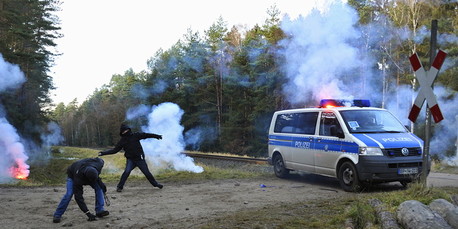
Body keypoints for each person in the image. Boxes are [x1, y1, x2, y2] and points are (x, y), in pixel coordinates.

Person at [99, 124, 163, 192]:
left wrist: (156, 136)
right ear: (121, 132)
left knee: (147, 173)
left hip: (139, 159)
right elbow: (114, 150)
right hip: (131, 160)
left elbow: (146, 135)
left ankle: (156, 184)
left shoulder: (136, 135)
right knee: (126, 172)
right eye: (123, 131)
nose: (125, 132)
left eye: (126, 130)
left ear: (129, 129)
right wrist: (103, 153)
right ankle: (119, 187)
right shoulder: (122, 141)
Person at [53, 157, 109, 223]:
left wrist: (103, 188)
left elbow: (98, 179)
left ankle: (100, 210)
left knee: (99, 188)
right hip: (72, 175)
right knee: (69, 194)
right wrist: (88, 213)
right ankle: (57, 215)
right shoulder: (78, 179)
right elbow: (78, 197)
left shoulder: (99, 163)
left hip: (88, 170)